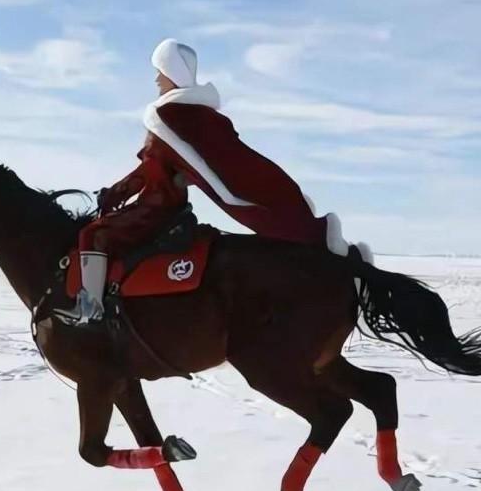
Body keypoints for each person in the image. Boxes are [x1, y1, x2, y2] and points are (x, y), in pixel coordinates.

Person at [57, 38, 367, 325]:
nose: (156, 80)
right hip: (175, 209)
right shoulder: (200, 118)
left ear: (171, 73)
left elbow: (150, 172)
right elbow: (207, 166)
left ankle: (90, 307)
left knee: (91, 235)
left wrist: (113, 194)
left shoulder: (165, 119)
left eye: (160, 72)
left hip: (155, 209)